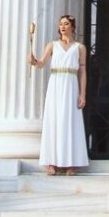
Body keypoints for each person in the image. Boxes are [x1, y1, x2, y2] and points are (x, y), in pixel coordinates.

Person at [31, 14, 90, 175]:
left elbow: (83, 71)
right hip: (56, 85)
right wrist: (34, 61)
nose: (62, 27)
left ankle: (71, 162)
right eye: (61, 24)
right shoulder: (52, 45)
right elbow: (42, 63)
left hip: (71, 85)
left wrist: (82, 94)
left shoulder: (80, 47)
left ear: (72, 27)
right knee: (54, 121)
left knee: (70, 121)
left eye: (66, 24)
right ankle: (52, 162)